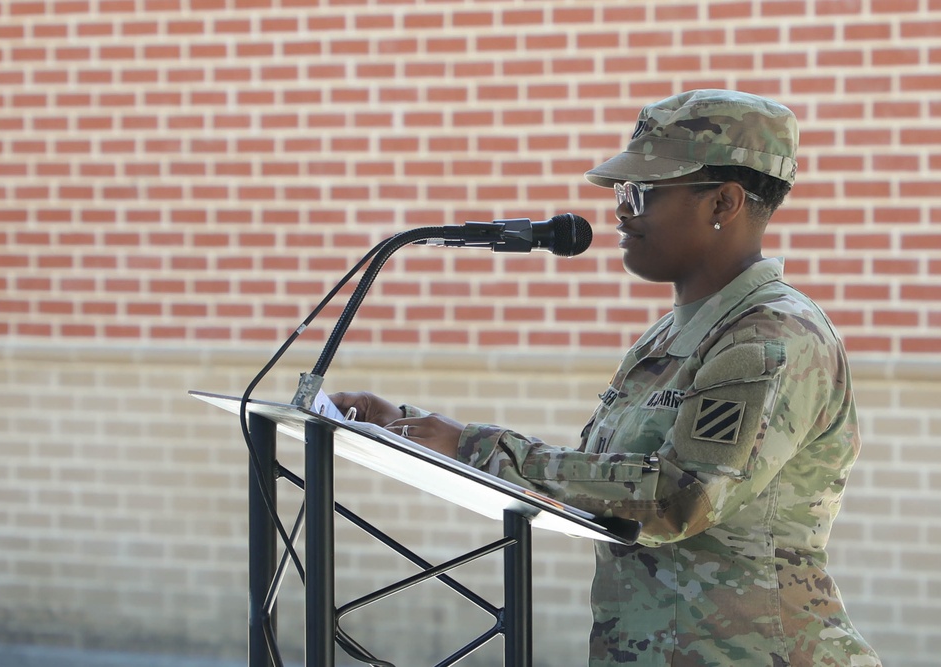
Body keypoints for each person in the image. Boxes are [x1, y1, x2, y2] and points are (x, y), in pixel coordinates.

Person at [332, 89, 881, 666]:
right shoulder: (669, 336)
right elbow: (604, 482)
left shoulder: (768, 339)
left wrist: (474, 445)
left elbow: (677, 499)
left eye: (643, 192)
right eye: (623, 191)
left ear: (724, 203)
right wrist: (410, 429)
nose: (621, 210)